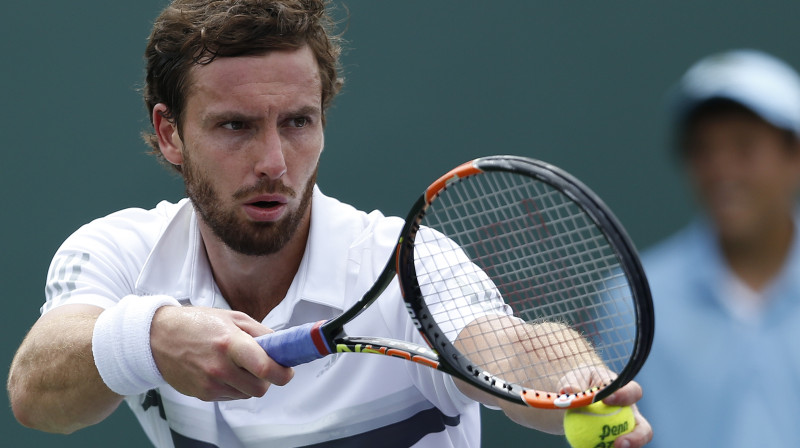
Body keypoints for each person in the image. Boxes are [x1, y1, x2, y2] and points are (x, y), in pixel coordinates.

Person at [7, 1, 652, 446]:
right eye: (235, 126)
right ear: (169, 133)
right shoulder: (120, 256)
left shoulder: (409, 267)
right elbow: (36, 392)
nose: (273, 162)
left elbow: (505, 346)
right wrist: (150, 339)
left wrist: (576, 378)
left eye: (297, 122)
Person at [637, 49, 800, 447]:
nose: (721, 170)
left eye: (744, 147)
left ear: (794, 157)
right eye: (704, 150)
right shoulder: (631, 299)